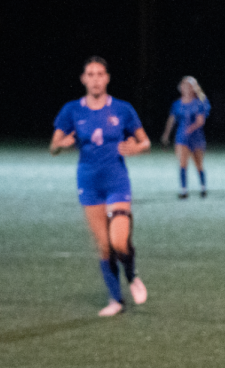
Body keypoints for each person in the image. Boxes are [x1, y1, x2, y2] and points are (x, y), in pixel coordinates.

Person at [52, 57, 151, 317]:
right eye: (90, 74)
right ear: (83, 79)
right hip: (88, 183)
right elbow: (53, 145)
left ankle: (131, 274)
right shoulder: (72, 110)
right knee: (105, 246)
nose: (95, 79)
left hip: (117, 180)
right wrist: (59, 146)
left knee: (119, 242)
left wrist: (136, 148)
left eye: (100, 74)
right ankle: (116, 300)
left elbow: (145, 142)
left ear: (107, 78)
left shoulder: (122, 109)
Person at [160, 76, 211, 199]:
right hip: (181, 137)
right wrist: (166, 134)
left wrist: (190, 129)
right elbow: (171, 120)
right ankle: (184, 190)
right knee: (182, 163)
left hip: (196, 137)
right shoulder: (177, 104)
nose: (186, 88)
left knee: (199, 164)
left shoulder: (199, 102)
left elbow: (200, 121)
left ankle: (203, 187)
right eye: (184, 86)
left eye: (189, 86)